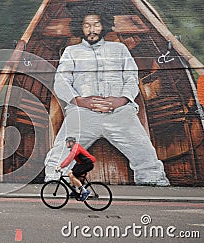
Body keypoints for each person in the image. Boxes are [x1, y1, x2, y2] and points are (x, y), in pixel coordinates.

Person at [44, 8, 170, 186]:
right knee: (61, 151)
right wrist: (83, 101)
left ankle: (153, 182)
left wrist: (120, 100)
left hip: (118, 113)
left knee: (144, 151)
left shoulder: (119, 49)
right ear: (81, 27)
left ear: (103, 25)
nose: (92, 29)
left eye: (96, 24)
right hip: (83, 113)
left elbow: (132, 78)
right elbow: (61, 82)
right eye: (87, 25)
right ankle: (54, 182)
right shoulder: (71, 51)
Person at [55, 137, 95, 201]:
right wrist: (61, 165)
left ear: (70, 142)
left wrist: (61, 166)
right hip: (81, 163)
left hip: (87, 164)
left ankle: (84, 191)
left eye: (67, 142)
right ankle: (74, 190)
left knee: (72, 175)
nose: (66, 144)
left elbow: (69, 158)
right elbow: (69, 158)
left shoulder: (76, 148)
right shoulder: (74, 148)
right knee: (70, 172)